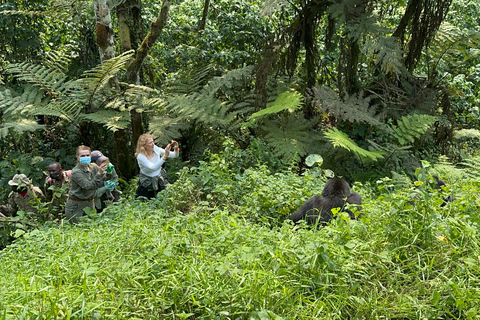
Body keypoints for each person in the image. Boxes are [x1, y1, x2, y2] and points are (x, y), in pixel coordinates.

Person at [65, 145, 107, 223]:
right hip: (76, 205)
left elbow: (104, 175)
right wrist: (99, 173)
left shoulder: (93, 166)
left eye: (87, 155)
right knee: (76, 229)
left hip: (90, 202)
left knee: (91, 227)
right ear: (77, 157)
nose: (85, 157)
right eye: (82, 156)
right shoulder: (76, 171)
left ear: (90, 156)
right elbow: (88, 186)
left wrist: (107, 169)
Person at [135, 134, 179, 199]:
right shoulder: (140, 156)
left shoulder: (156, 148)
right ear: (144, 146)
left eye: (153, 142)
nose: (153, 144)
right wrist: (165, 156)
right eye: (150, 143)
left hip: (159, 179)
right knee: (146, 202)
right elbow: (153, 167)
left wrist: (176, 149)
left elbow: (174, 155)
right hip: (147, 183)